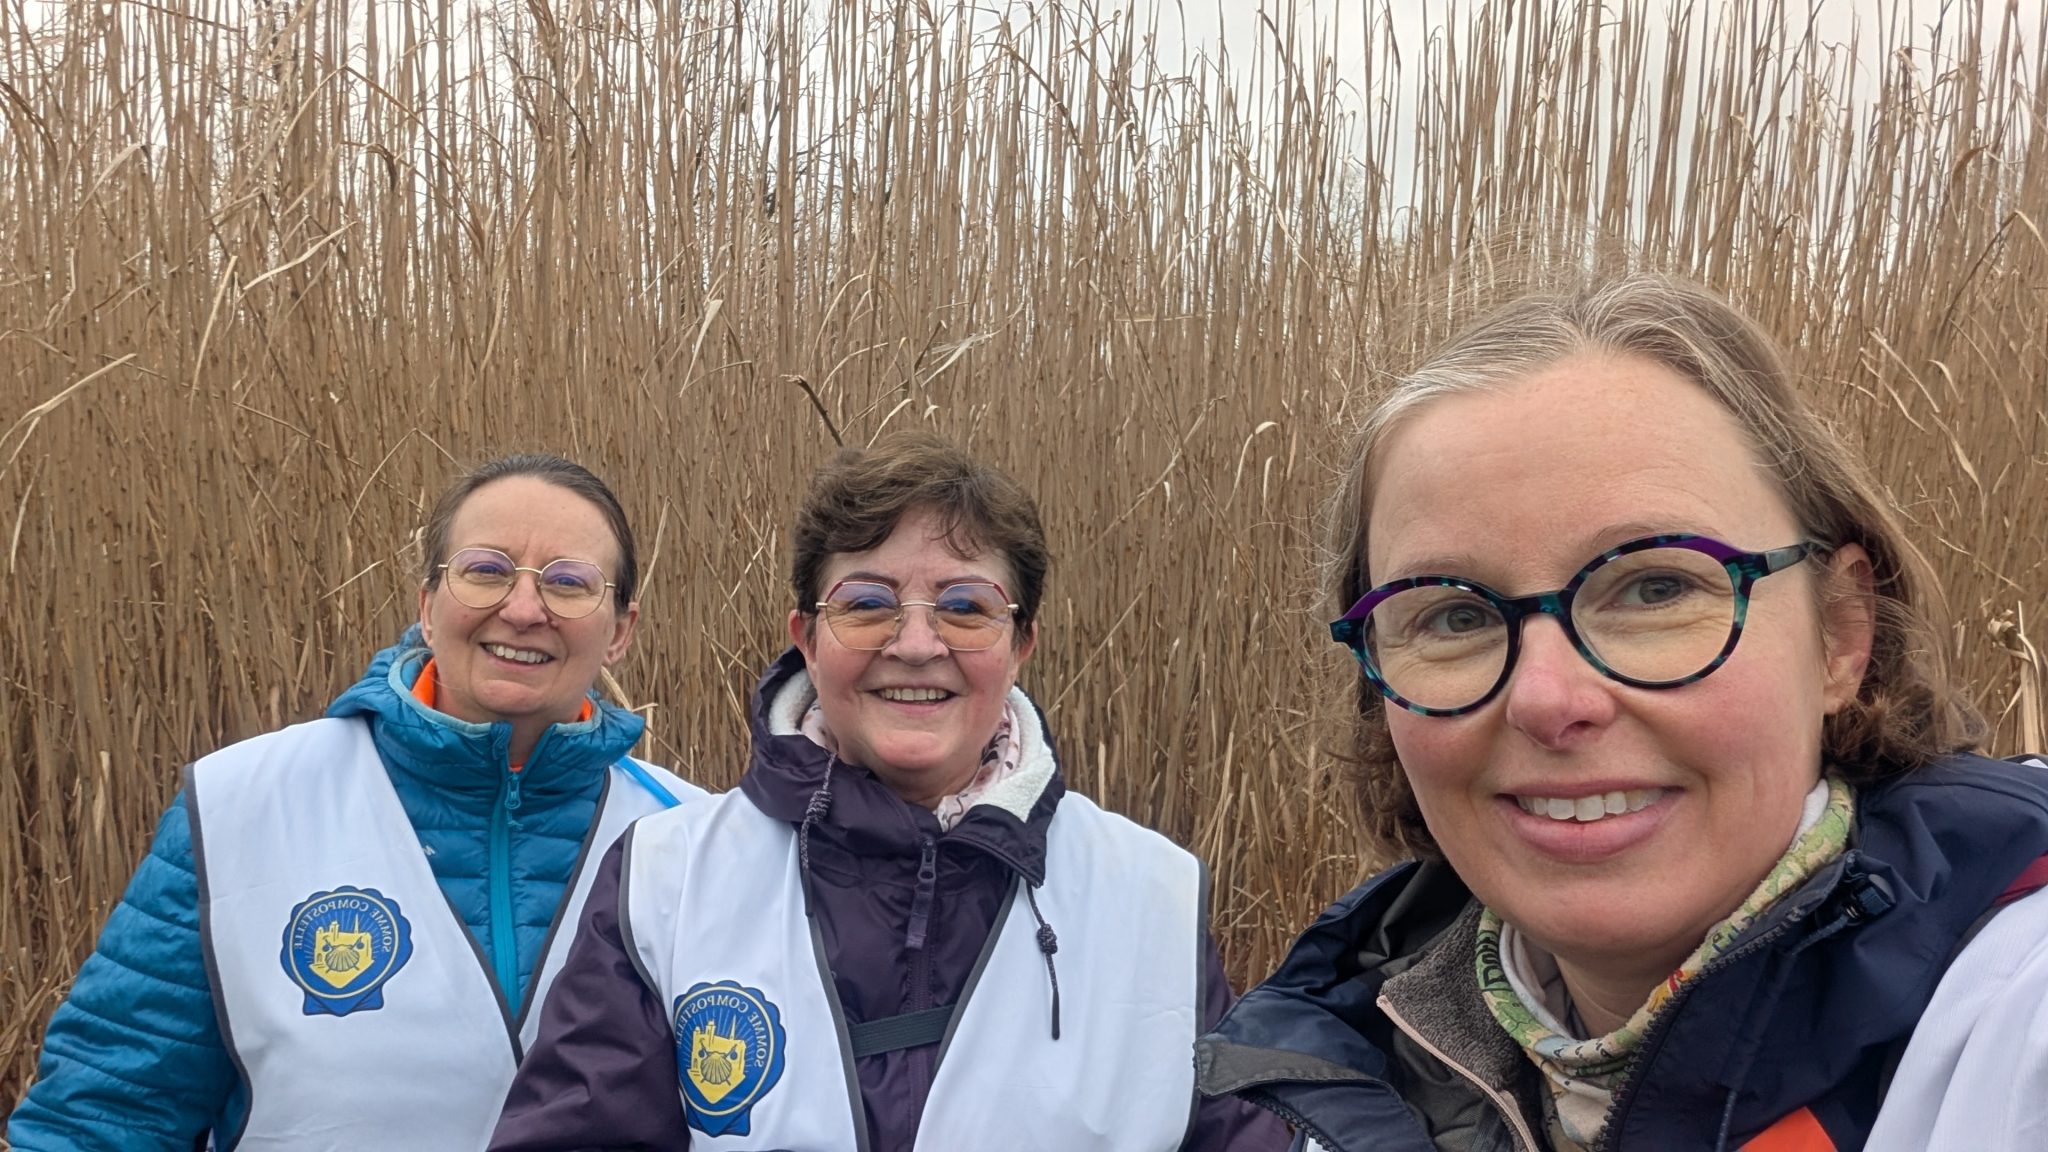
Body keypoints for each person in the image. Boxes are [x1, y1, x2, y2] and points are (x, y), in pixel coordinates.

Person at [1192, 276, 2048, 1152]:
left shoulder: (2012, 1028)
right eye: (1453, 615)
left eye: (1655, 587)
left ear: (1839, 634)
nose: (1548, 700)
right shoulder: (1327, 1078)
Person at [490, 432, 1288, 1151]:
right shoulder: (665, 879)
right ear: (805, 636)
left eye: (965, 607)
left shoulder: (1151, 894)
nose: (915, 644)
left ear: (1022, 645)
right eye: (867, 604)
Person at [7, 453, 705, 1151]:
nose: (523, 609)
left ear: (620, 630)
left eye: (569, 583)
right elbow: (101, 1119)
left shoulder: (695, 841)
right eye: (486, 571)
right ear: (428, 607)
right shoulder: (239, 809)